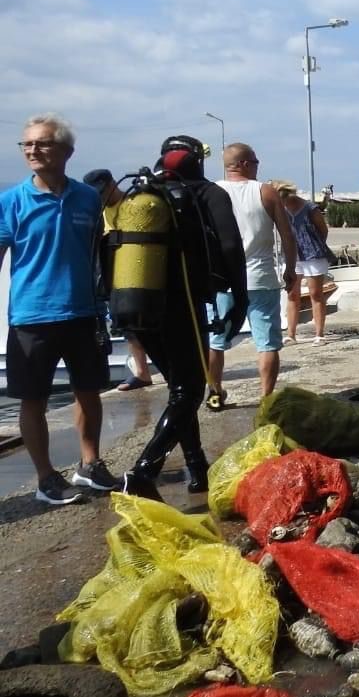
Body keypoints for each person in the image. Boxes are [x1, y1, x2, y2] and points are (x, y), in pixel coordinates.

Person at [122, 135, 248, 498]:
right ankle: (144, 471)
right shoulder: (207, 194)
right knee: (190, 390)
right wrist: (238, 301)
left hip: (137, 305)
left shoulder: (143, 195)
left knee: (181, 388)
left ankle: (197, 468)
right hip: (181, 307)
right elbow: (228, 247)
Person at [0, 114, 117, 505]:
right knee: (34, 399)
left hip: (84, 313)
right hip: (31, 317)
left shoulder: (87, 197)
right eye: (27, 144)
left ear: (66, 151)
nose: (33, 150)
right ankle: (46, 478)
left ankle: (89, 465)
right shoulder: (11, 202)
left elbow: (96, 254)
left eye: (43, 143)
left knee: (89, 392)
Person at [207, 143, 297, 409]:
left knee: (216, 341)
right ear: (244, 163)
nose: (258, 166)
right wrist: (290, 269)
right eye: (255, 162)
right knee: (267, 343)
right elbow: (287, 235)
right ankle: (266, 398)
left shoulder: (212, 192)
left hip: (223, 279)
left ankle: (214, 393)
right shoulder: (265, 191)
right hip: (260, 276)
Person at [84, 168, 154, 391]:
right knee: (125, 325)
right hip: (112, 273)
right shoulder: (98, 210)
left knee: (148, 322)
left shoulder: (133, 202)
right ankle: (142, 372)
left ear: (113, 183)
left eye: (103, 191)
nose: (101, 197)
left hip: (137, 269)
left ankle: (162, 367)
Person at [273, 180, 331, 344]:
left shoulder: (309, 208)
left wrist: (315, 245)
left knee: (316, 293)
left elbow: (323, 229)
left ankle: (319, 333)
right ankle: (291, 334)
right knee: (292, 293)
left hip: (313, 254)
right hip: (291, 254)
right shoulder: (280, 209)